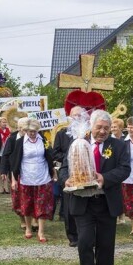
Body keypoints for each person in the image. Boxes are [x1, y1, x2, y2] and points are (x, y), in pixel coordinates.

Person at [61, 110, 130, 265]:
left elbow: (124, 169)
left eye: (107, 128)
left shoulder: (118, 145)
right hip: (83, 202)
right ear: (91, 125)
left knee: (105, 246)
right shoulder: (78, 142)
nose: (103, 131)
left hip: (107, 202)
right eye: (99, 127)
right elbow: (64, 167)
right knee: (84, 243)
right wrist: (67, 179)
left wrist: (104, 178)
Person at [10, 118, 55, 243]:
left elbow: (49, 156)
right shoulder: (20, 142)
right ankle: (28, 228)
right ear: (25, 131)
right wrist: (14, 178)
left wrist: (53, 171)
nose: (32, 134)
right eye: (29, 131)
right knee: (27, 204)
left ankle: (41, 231)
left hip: (42, 177)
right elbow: (15, 162)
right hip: (26, 177)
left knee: (42, 204)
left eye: (34, 131)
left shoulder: (43, 140)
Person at [53, 106, 85, 247]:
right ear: (69, 117)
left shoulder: (88, 133)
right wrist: (70, 156)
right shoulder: (62, 133)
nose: (77, 118)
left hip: (85, 174)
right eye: (74, 115)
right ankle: (73, 236)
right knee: (69, 206)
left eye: (80, 115)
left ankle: (85, 233)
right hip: (69, 172)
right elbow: (55, 153)